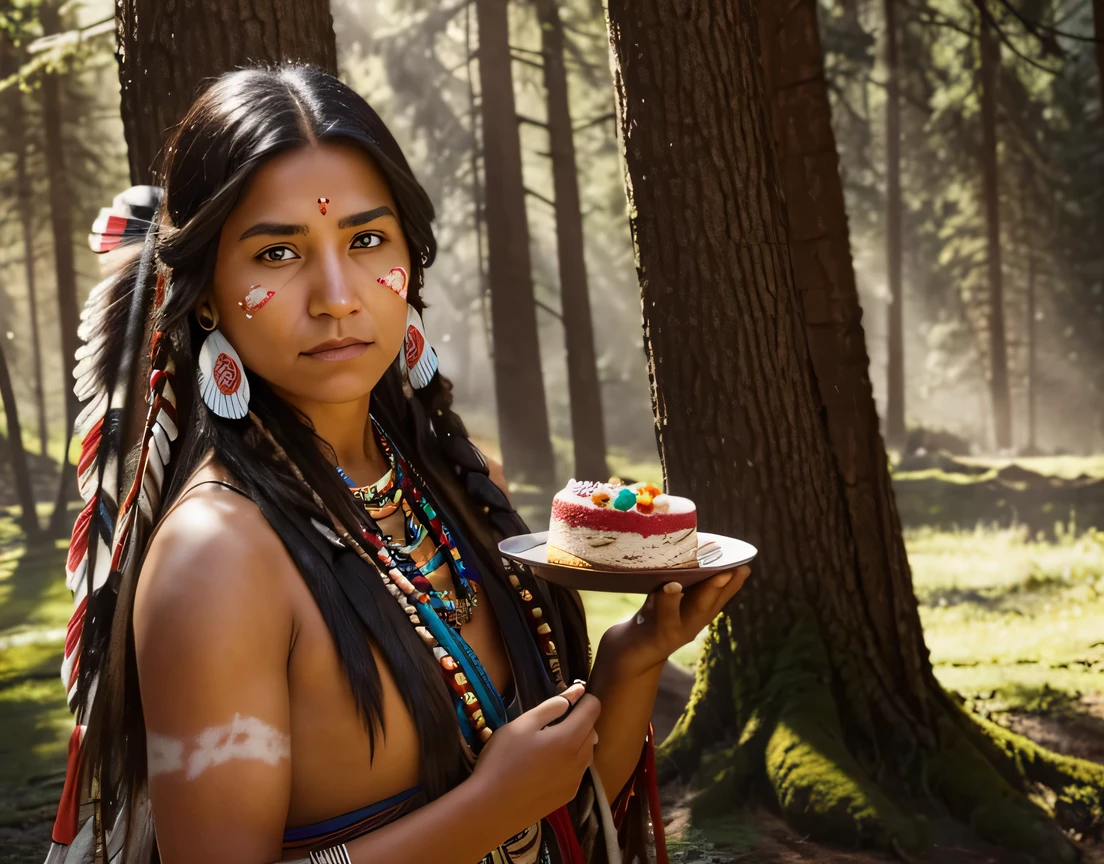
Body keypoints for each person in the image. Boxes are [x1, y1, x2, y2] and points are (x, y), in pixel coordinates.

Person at [45, 65, 750, 864]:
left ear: (410, 262)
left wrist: (628, 665)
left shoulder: (460, 479)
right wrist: (484, 808)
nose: (337, 295)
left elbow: (555, 815)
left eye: (366, 240)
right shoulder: (218, 556)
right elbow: (505, 811)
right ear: (206, 294)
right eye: (278, 253)